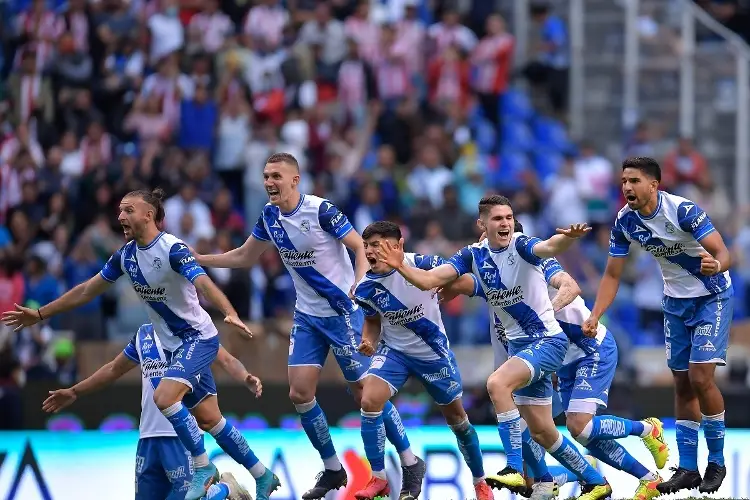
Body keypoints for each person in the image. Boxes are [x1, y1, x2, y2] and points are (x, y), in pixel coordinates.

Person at [2, 188, 280, 500]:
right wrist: (40, 314)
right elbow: (85, 291)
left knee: (164, 396)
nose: (120, 216)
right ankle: (262, 474)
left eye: (128, 210)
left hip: (197, 338)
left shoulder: (173, 249)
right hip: (174, 347)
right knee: (210, 420)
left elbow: (203, 282)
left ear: (148, 215)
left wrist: (230, 313)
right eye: (120, 210)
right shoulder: (126, 257)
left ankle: (203, 466)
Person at [192, 153, 422, 499]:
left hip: (344, 312)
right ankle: (332, 469)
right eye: (266, 175)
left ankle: (409, 460)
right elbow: (244, 256)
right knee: (299, 392)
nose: (270, 182)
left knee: (366, 393)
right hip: (307, 317)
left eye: (277, 176)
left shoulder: (321, 211)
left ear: (295, 180)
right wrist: (199, 260)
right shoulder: (270, 217)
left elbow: (360, 246)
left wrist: (359, 286)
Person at [376, 194, 611, 500]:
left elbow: (549, 246)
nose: (505, 224)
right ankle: (594, 479)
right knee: (542, 431)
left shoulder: (522, 245)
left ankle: (513, 468)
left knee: (497, 384)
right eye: (498, 219)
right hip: (519, 349)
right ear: (482, 224)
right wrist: (400, 266)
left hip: (548, 341)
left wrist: (567, 239)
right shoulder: (473, 256)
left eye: (509, 218)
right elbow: (431, 279)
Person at [444, 220, 669, 500]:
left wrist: (545, 314)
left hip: (590, 348)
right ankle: (646, 479)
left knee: (579, 426)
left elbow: (570, 286)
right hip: (559, 361)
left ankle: (647, 428)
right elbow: (463, 282)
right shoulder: (495, 278)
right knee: (567, 433)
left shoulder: (535, 263)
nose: (485, 246)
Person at [583, 156, 732, 495]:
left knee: (700, 378)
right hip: (675, 302)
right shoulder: (624, 221)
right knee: (681, 383)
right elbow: (612, 273)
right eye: (623, 181)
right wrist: (595, 313)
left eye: (634, 181)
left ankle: (717, 462)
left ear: (653, 184)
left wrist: (715, 264)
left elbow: (724, 253)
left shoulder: (683, 211)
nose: (626, 188)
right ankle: (689, 468)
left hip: (711, 296)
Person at [351, 220, 493, 500]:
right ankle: (378, 477)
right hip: (395, 353)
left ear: (398, 245)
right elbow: (371, 320)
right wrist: (368, 339)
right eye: (367, 246)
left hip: (432, 354)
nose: (370, 252)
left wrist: (455, 286)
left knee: (457, 419)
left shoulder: (425, 264)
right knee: (369, 400)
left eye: (377, 245)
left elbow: (465, 281)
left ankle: (480, 482)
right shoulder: (365, 287)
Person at [42, 323, 262, 500]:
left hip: (181, 438)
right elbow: (113, 369)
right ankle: (220, 490)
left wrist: (245, 377)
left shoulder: (195, 331)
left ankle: (222, 490)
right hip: (148, 438)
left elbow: (227, 359)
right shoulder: (144, 334)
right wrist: (74, 391)